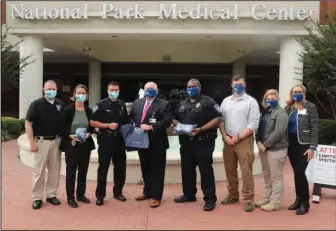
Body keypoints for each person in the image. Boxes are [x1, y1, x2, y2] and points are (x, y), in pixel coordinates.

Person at [173, 79, 222, 211]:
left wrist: (202, 129)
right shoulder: (182, 103)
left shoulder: (208, 102)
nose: (191, 89)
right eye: (189, 87)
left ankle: (210, 199)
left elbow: (218, 118)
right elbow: (174, 118)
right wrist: (177, 126)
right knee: (187, 171)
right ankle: (189, 195)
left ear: (199, 87)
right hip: (186, 143)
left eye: (194, 87)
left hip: (203, 142)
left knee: (205, 171)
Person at [218, 75, 260, 212]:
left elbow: (253, 124)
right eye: (235, 84)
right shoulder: (225, 101)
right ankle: (233, 194)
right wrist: (224, 136)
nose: (238, 86)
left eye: (240, 84)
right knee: (229, 169)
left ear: (245, 84)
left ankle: (248, 199)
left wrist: (238, 137)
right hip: (228, 140)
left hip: (244, 140)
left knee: (246, 170)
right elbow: (220, 120)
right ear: (231, 85)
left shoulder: (251, 102)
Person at [129, 82, 173, 208]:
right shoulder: (137, 103)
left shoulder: (164, 104)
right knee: (145, 167)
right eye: (147, 89)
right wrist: (134, 126)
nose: (149, 90)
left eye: (152, 89)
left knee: (157, 170)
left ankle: (156, 196)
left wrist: (151, 127)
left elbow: (167, 121)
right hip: (141, 141)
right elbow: (131, 117)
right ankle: (147, 192)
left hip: (157, 142)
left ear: (157, 91)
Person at [25, 80, 65, 209]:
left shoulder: (60, 104)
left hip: (56, 142)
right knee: (39, 171)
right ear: (43, 89)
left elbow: (64, 123)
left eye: (54, 89)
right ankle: (37, 198)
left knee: (55, 170)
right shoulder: (36, 104)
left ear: (56, 90)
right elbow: (28, 123)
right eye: (49, 89)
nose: (51, 91)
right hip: (41, 142)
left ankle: (51, 195)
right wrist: (32, 142)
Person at [90, 81, 129, 205]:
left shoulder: (122, 105)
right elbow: (92, 122)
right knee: (103, 168)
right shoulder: (100, 105)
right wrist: (108, 125)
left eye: (116, 90)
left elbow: (126, 121)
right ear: (107, 90)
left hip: (119, 141)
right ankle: (100, 195)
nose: (114, 92)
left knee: (120, 168)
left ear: (119, 91)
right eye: (111, 90)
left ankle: (118, 192)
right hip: (106, 140)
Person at [285, 84, 319, 215]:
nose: (297, 94)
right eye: (295, 92)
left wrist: (312, 147)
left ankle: (305, 203)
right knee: (296, 173)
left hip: (304, 145)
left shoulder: (310, 107)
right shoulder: (289, 108)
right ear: (291, 93)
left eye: (300, 91)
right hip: (291, 144)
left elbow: (315, 128)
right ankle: (298, 199)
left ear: (304, 93)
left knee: (300, 172)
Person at [60, 84, 95, 208]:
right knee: (71, 172)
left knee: (83, 171)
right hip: (72, 144)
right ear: (74, 95)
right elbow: (62, 127)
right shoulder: (69, 109)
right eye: (78, 93)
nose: (81, 95)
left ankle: (81, 195)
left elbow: (92, 126)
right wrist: (70, 136)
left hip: (85, 145)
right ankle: (70, 198)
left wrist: (89, 134)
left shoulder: (89, 110)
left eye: (83, 93)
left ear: (86, 96)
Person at [254, 89, 289, 212]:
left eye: (273, 98)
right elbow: (259, 128)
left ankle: (275, 202)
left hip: (276, 149)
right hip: (263, 148)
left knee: (276, 177)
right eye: (267, 99)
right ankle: (266, 198)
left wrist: (266, 145)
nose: (270, 101)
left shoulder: (281, 113)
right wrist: (258, 141)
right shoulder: (265, 112)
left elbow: (279, 131)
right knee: (267, 175)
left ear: (277, 99)